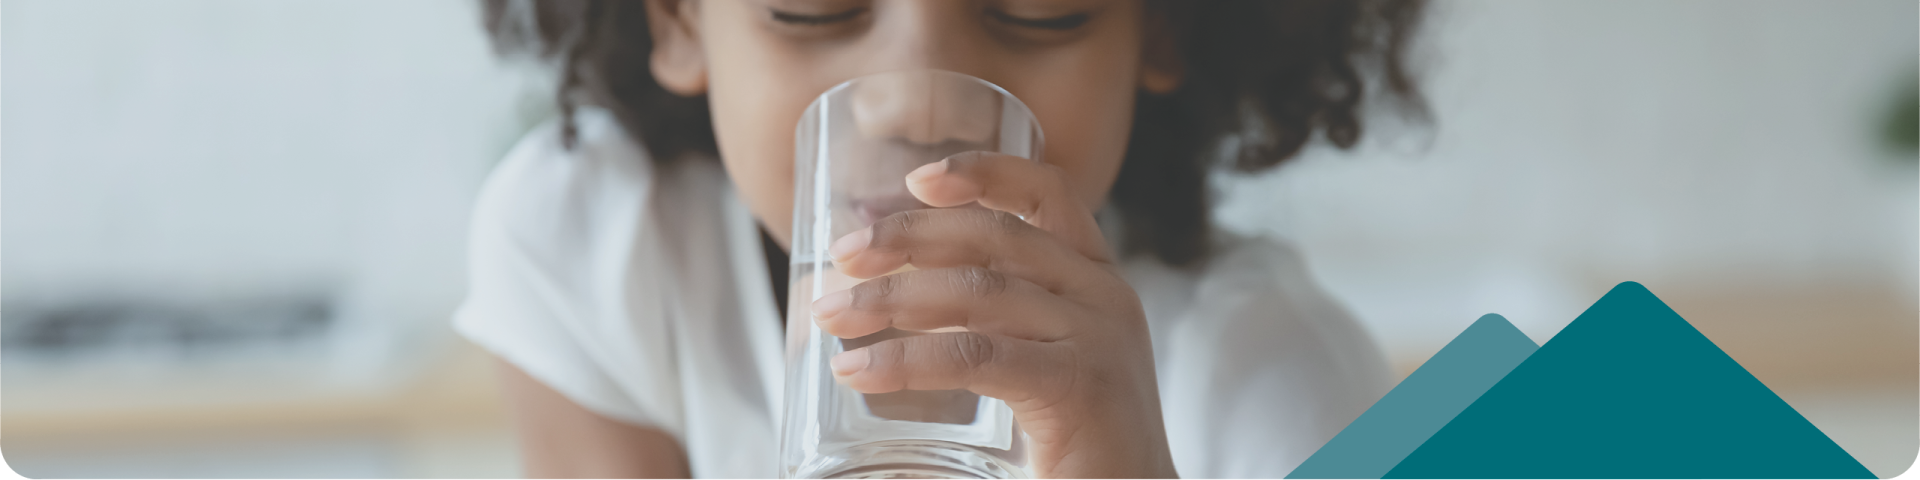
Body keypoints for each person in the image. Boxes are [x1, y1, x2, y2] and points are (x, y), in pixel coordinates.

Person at [456, 0, 1427, 478]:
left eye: (1034, 7)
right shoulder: (595, 243)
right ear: (679, 17)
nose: (917, 94)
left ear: (1160, 26)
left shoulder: (1274, 377)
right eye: (814, 4)